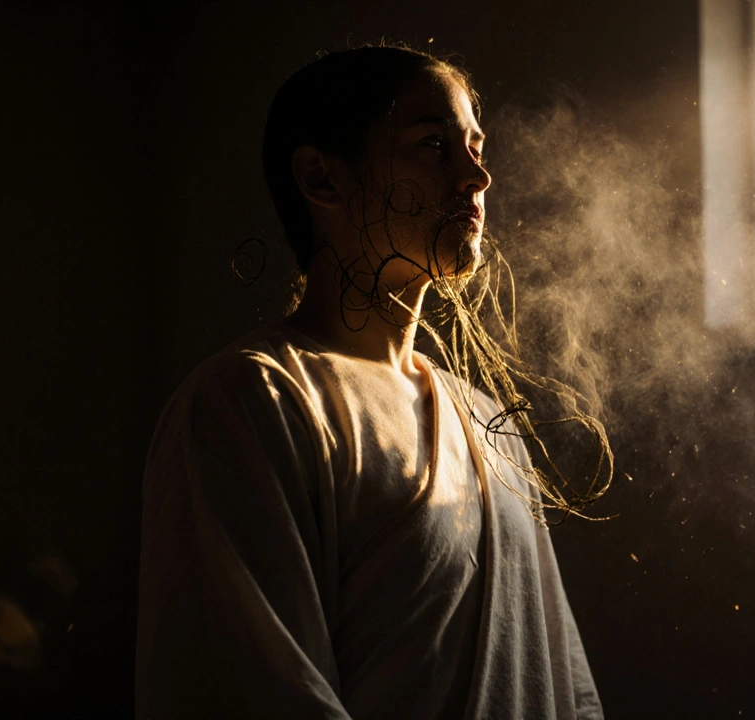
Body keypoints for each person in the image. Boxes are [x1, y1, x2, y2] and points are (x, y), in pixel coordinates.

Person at [136, 44, 606, 719]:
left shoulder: (488, 424)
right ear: (324, 179)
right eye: (434, 146)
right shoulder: (255, 400)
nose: (478, 176)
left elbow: (565, 690)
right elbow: (256, 688)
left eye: (475, 146)